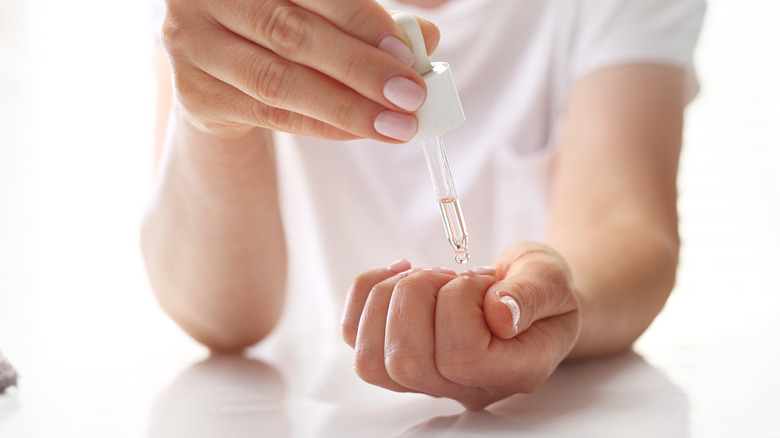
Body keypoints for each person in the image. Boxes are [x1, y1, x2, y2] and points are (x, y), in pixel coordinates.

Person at [142, 0, 705, 409]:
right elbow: (222, 317)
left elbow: (623, 223)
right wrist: (211, 120)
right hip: (299, 412)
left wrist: (547, 298)